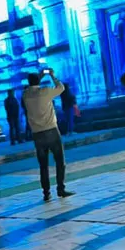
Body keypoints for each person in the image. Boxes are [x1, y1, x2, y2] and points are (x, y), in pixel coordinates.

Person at [23, 70, 74, 201]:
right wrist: (51, 75)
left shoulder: (26, 95)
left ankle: (46, 193)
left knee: (43, 165)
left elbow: (32, 85)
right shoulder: (45, 91)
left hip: (37, 134)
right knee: (59, 161)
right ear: (38, 81)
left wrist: (38, 76)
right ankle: (61, 189)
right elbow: (61, 88)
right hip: (51, 130)